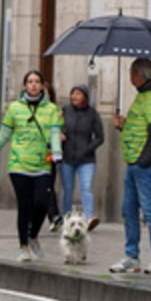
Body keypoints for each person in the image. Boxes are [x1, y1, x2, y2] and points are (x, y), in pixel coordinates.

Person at [0, 70, 62, 263]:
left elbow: (55, 132)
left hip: (42, 165)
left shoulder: (51, 110)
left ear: (42, 86)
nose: (33, 85)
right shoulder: (14, 108)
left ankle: (33, 236)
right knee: (25, 206)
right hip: (19, 165)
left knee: (42, 203)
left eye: (37, 82)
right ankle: (23, 247)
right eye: (30, 82)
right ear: (24, 86)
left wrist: (57, 152)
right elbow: (3, 135)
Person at [110, 58, 151, 274]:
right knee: (129, 210)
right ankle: (131, 255)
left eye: (131, 71)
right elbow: (141, 129)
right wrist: (123, 125)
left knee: (150, 210)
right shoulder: (142, 96)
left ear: (138, 74)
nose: (129, 75)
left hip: (145, 165)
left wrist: (144, 162)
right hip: (135, 163)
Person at [59, 84, 104, 229]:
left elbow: (100, 137)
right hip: (67, 158)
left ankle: (89, 218)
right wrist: (59, 134)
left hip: (86, 160)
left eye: (78, 94)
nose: (74, 97)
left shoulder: (92, 114)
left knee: (86, 187)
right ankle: (66, 218)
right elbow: (56, 126)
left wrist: (87, 149)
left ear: (85, 96)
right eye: (73, 94)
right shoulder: (65, 110)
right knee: (68, 189)